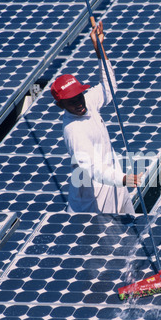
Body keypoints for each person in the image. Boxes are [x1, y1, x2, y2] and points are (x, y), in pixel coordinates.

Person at [51, 21, 141, 214]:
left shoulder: (86, 102)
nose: (78, 103)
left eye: (79, 96)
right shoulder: (73, 131)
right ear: (61, 105)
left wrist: (98, 48)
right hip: (93, 204)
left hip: (116, 187)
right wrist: (123, 179)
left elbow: (109, 87)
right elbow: (92, 168)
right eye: (71, 101)